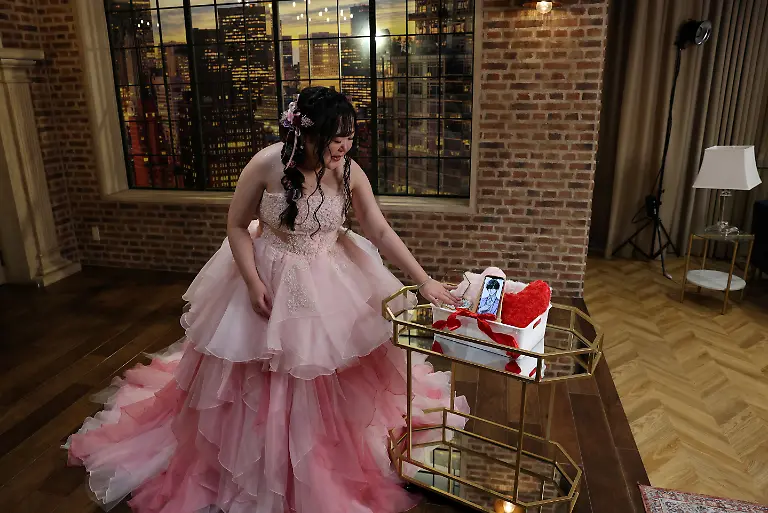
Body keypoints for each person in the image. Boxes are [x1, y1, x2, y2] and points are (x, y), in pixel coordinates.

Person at [65, 86, 470, 513]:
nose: (344, 146)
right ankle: (256, 463)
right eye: (336, 137)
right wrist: (253, 280)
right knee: (256, 373)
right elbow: (237, 225)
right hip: (269, 271)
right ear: (306, 134)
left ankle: (325, 453)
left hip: (329, 273)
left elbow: (378, 228)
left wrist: (422, 279)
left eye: (350, 137)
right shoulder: (266, 163)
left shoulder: (348, 170)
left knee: (329, 365)